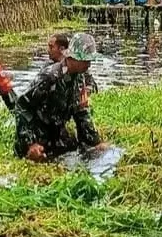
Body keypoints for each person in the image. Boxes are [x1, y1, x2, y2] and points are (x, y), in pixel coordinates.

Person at [14, 33, 104, 161]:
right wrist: (30, 143)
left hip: (56, 134)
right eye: (86, 60)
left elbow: (81, 113)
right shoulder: (50, 76)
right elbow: (22, 106)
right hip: (36, 135)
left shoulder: (79, 78)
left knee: (83, 152)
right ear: (74, 58)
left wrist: (95, 143)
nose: (89, 64)